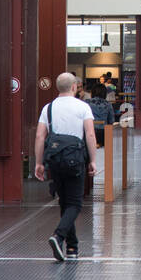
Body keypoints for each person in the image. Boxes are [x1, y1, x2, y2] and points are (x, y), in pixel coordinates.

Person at [34, 72, 98, 262]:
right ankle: (59, 236)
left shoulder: (49, 108)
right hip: (75, 159)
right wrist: (93, 160)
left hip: (55, 159)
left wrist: (39, 163)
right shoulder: (83, 107)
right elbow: (90, 135)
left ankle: (72, 247)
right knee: (75, 204)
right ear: (74, 87)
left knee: (64, 202)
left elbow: (40, 137)